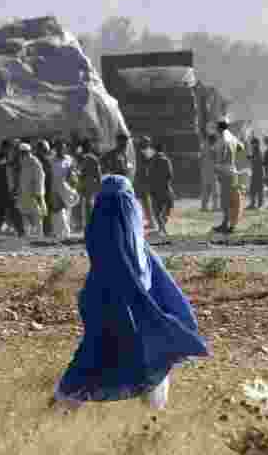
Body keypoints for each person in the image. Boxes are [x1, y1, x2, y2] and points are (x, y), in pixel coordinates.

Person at [52, 175, 209, 409]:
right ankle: (151, 412)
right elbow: (144, 274)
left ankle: (63, 404)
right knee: (148, 351)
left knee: (95, 356)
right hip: (124, 305)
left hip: (99, 301)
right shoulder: (133, 238)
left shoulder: (101, 223)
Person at [212, 119, 241, 235]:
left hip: (225, 171)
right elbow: (241, 148)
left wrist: (218, 168)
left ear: (219, 128)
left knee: (225, 200)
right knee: (232, 199)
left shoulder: (222, 139)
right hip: (232, 170)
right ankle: (228, 224)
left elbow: (222, 156)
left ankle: (227, 225)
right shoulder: (232, 137)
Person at [48, 140, 79, 239]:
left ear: (65, 149)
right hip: (54, 188)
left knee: (67, 211)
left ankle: (65, 234)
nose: (60, 150)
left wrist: (73, 183)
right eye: (58, 148)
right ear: (55, 149)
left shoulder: (69, 159)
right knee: (58, 211)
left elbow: (73, 173)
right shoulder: (51, 160)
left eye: (62, 148)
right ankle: (61, 233)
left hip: (66, 188)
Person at [15, 142, 46, 236]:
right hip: (23, 195)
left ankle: (39, 236)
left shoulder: (34, 162)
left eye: (24, 152)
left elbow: (40, 178)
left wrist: (38, 194)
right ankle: (27, 238)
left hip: (34, 195)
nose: (22, 154)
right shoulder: (21, 162)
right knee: (24, 216)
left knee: (37, 216)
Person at [147, 141, 175, 236]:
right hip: (165, 188)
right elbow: (170, 175)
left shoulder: (152, 160)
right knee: (167, 208)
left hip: (155, 189)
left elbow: (149, 176)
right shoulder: (166, 160)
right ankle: (163, 228)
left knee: (156, 210)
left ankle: (161, 227)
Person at [77, 138, 102, 230]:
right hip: (87, 182)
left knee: (87, 206)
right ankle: (87, 226)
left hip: (88, 183)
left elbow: (98, 173)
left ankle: (89, 226)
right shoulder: (89, 157)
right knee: (87, 206)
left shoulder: (86, 157)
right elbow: (98, 173)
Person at [134, 136, 155, 229]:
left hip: (145, 179)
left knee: (146, 200)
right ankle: (148, 221)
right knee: (142, 201)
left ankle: (151, 222)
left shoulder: (148, 152)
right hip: (140, 178)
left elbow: (149, 164)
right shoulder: (141, 152)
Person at [35, 140, 55, 236]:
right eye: (43, 149)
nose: (45, 151)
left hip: (48, 189)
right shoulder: (34, 161)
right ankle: (41, 233)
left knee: (47, 211)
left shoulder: (48, 161)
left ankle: (48, 232)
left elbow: (50, 176)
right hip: (37, 190)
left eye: (46, 150)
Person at [200, 134, 219, 212]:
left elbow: (201, 158)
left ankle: (204, 206)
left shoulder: (204, 147)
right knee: (214, 191)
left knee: (206, 191)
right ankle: (214, 207)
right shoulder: (212, 147)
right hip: (212, 171)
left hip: (205, 171)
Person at [247, 136, 265, 210]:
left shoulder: (258, 151)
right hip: (255, 172)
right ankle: (253, 204)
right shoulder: (255, 151)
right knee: (253, 190)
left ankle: (260, 204)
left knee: (259, 190)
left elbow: (258, 161)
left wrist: (251, 158)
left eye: (253, 144)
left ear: (256, 144)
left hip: (258, 173)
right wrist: (251, 157)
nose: (251, 145)